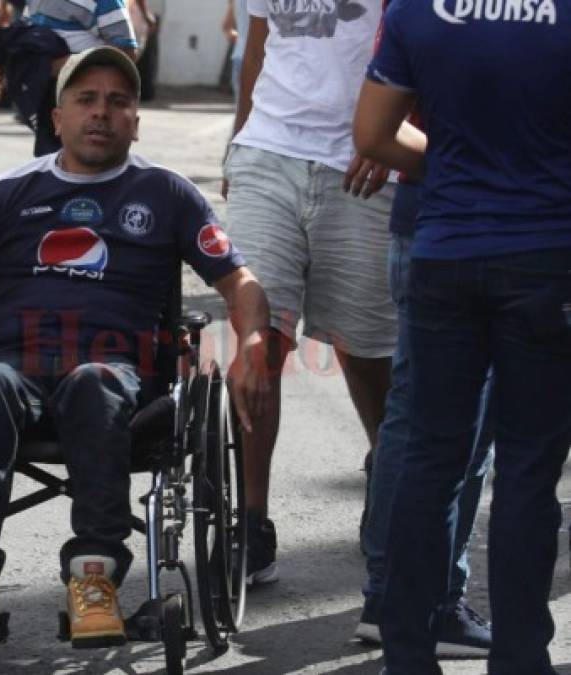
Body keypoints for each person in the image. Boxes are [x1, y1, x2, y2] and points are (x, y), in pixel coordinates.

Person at [0, 47, 272, 649]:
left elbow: (240, 282)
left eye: (117, 102)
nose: (101, 113)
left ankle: (93, 577)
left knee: (93, 381)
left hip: (117, 378)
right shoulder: (7, 193)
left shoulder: (168, 195)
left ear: (135, 120)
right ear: (57, 118)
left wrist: (252, 344)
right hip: (14, 373)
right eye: (86, 100)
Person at [353, 0, 571, 671]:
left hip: (444, 253)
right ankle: (519, 657)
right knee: (528, 474)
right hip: (545, 258)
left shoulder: (421, 9)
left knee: (429, 461)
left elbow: (371, 134)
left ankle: (408, 655)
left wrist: (451, 166)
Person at [222, 0, 397, 585]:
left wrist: (392, 139)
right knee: (259, 341)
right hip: (268, 152)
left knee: (365, 347)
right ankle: (251, 520)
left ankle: (388, 468)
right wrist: (239, 137)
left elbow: (423, 45)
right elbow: (257, 45)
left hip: (363, 162)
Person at [348, 136, 494, 656]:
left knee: (426, 423)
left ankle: (398, 603)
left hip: (441, 223)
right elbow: (375, 128)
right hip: (485, 227)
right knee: (455, 433)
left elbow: (378, 125)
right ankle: (417, 606)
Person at [0, 0, 138, 156]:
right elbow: (26, 34)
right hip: (48, 99)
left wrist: (64, 66)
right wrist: (0, 63)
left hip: (82, 98)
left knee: (82, 164)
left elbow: (127, 51)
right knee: (52, 163)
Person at [221, 0, 248, 102]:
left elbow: (227, 27)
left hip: (240, 55)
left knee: (241, 104)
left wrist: (240, 38)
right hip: (261, 58)